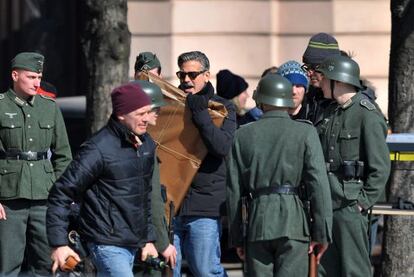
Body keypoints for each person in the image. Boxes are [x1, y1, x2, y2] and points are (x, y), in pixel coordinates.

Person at [46, 83, 159, 277]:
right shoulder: (97, 149)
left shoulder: (145, 143)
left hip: (133, 242)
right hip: (106, 243)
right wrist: (59, 244)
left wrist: (148, 239)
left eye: (148, 112)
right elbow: (61, 193)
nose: (147, 119)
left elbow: (143, 197)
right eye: (141, 113)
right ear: (122, 114)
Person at [226, 74, 332, 277]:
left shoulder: (242, 135)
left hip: (258, 223)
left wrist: (238, 237)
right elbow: (318, 184)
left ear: (261, 101)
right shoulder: (305, 132)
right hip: (294, 224)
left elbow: (234, 191)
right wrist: (321, 233)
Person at [315, 55, 391, 277]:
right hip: (327, 204)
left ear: (337, 81)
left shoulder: (366, 114)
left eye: (325, 78)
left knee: (354, 271)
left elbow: (380, 166)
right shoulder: (329, 113)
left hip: (350, 206)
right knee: (326, 270)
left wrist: (362, 202)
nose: (320, 84)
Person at [0, 52, 72, 276]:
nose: (37, 82)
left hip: (45, 196)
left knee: (46, 264)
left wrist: (59, 194)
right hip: (9, 199)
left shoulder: (49, 107)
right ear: (15, 75)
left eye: (39, 77)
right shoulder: (1, 106)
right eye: (31, 77)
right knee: (8, 266)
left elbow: (63, 156)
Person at [173, 51, 237, 276]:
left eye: (192, 74)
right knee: (168, 271)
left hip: (205, 206)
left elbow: (222, 147)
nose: (186, 80)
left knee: (205, 269)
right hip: (172, 203)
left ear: (207, 75)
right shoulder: (173, 104)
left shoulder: (223, 107)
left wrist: (200, 115)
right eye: (182, 75)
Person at [131, 80, 177, 276]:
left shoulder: (111, 140)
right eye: (154, 109)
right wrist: (162, 242)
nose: (158, 113)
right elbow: (153, 200)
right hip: (143, 237)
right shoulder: (144, 144)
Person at [301, 32, 341, 124]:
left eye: (314, 67)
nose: (309, 73)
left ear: (331, 68)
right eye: (307, 67)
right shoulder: (310, 98)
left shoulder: (349, 102)